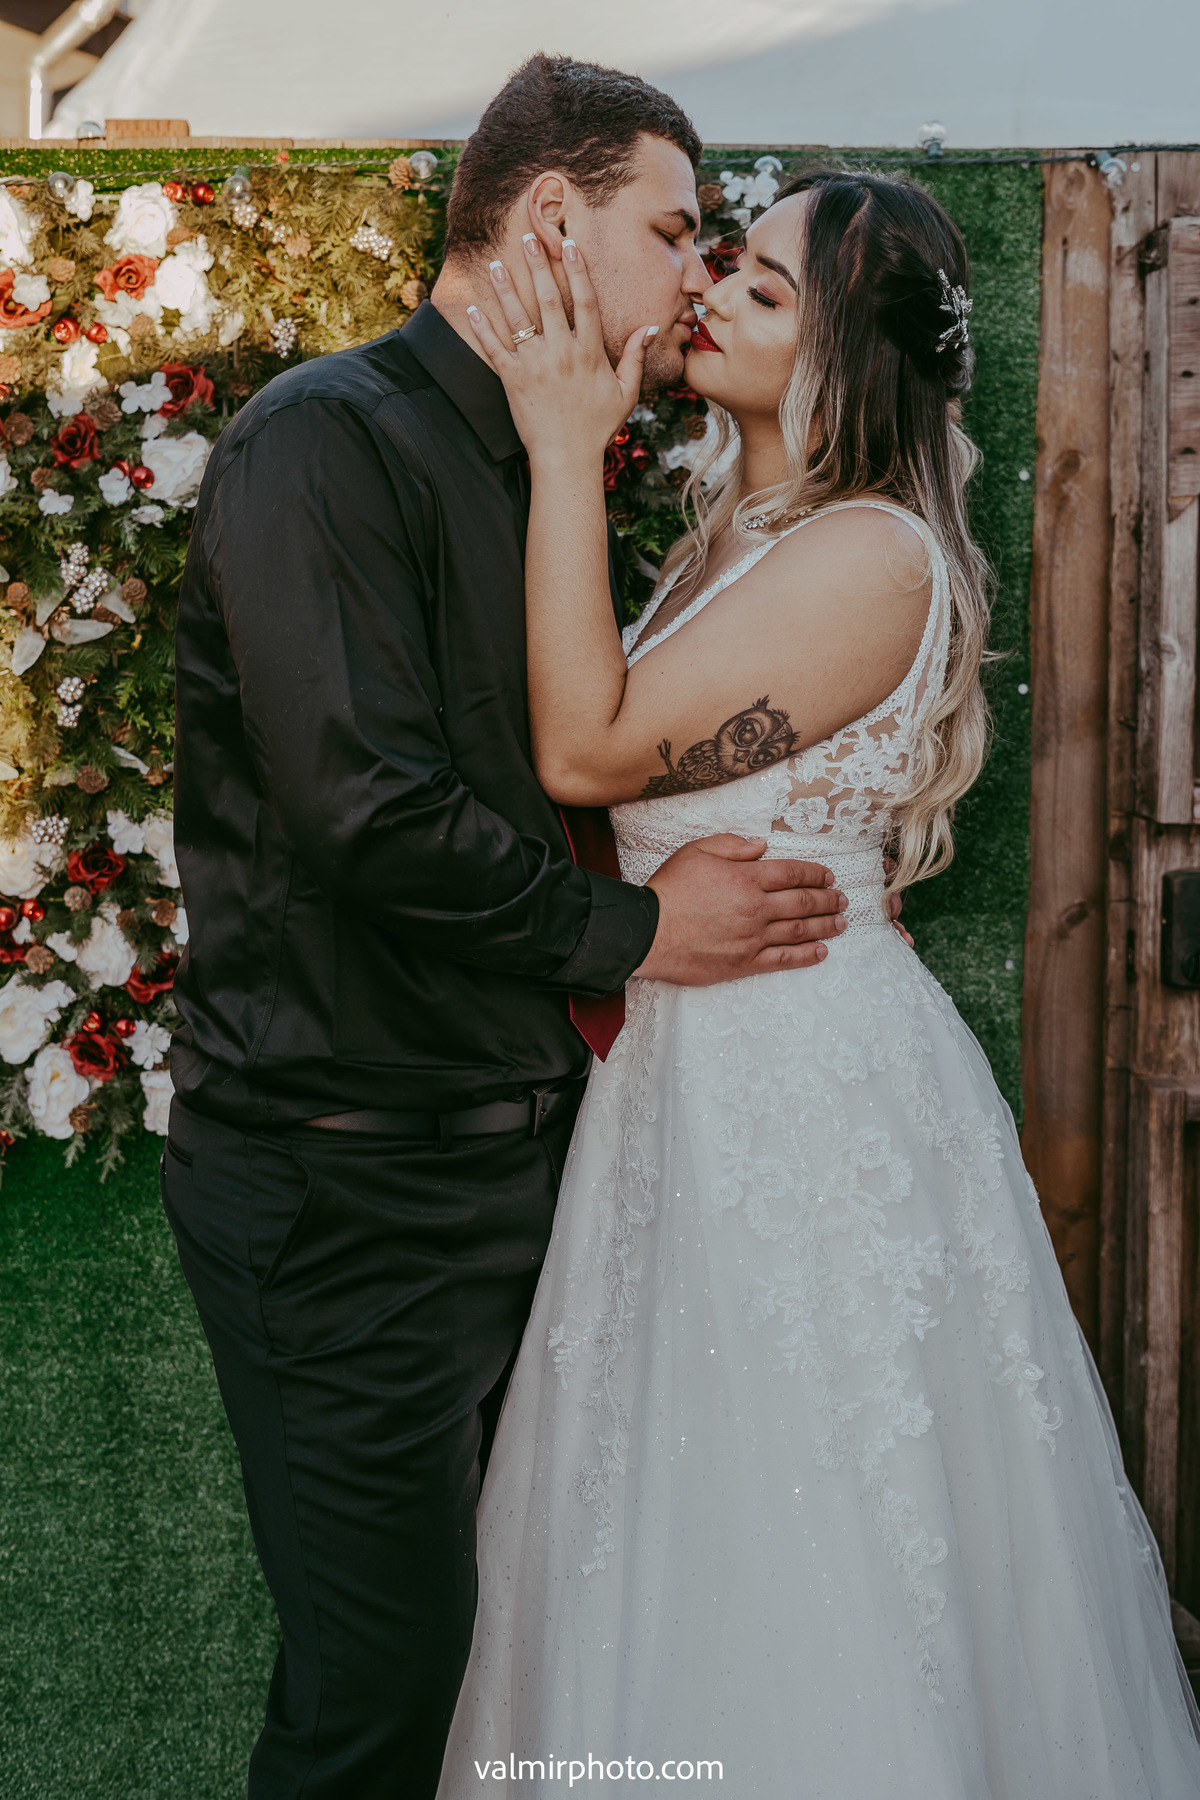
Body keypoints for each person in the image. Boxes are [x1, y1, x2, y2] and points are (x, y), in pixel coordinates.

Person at [436, 170, 1200, 1796]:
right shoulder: (737, 535)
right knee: (668, 1521)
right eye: (726, 263)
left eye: (766, 291)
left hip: (793, 1091)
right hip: (683, 1074)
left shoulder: (869, 553)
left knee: (815, 1510)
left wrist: (562, 447)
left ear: (849, 355)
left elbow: (587, 749)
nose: (712, 293)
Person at [161, 56, 869, 1800]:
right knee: (379, 1691)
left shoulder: (542, 467)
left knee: (510, 1672)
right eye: (674, 231)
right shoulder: (325, 443)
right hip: (344, 1188)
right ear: (551, 215)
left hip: (520, 1178)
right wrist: (638, 935)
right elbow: (367, 812)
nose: (698, 272)